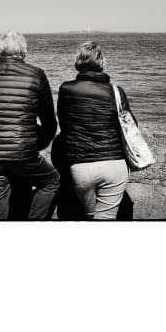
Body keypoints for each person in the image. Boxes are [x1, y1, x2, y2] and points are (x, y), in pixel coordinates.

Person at [0, 31, 59, 220]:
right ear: (24, 52)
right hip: (23, 154)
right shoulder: (36, 75)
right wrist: (36, 144)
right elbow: (50, 122)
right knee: (52, 181)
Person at [54, 40, 136, 220]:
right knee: (105, 218)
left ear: (79, 61)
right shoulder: (116, 91)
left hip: (81, 166)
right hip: (114, 164)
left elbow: (65, 125)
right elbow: (131, 128)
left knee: (90, 216)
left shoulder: (66, 89)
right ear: (101, 62)